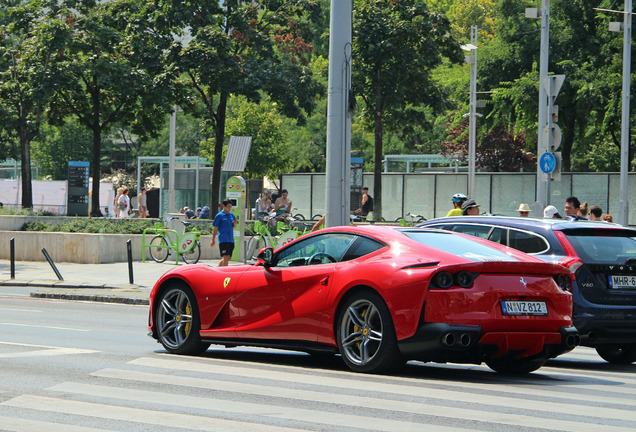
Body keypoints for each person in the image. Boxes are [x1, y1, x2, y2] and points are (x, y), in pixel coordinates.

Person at [211, 199, 237, 267]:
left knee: (228, 258)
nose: (229, 208)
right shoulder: (219, 216)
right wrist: (213, 239)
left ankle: (217, 270)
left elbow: (234, 227)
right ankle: (225, 273)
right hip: (223, 239)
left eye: (230, 207)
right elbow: (215, 228)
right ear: (223, 206)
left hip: (231, 239)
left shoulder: (231, 215)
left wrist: (235, 223)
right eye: (228, 206)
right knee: (226, 257)